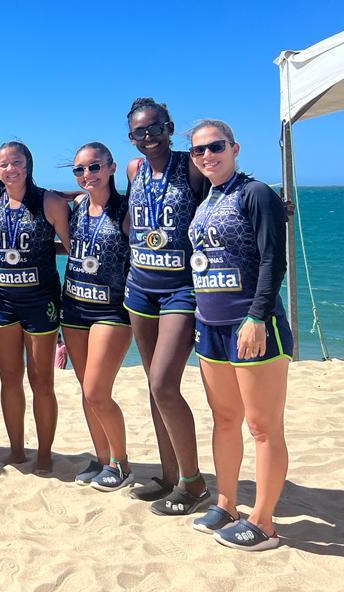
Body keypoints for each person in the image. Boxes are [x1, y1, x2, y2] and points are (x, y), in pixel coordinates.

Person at [186, 120, 292, 551]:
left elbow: (273, 260)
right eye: (198, 151)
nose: (207, 155)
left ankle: (263, 522)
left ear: (235, 148)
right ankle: (227, 504)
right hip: (210, 324)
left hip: (251, 324)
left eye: (215, 147)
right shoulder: (206, 199)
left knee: (262, 426)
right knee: (225, 419)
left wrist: (257, 316)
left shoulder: (255, 193)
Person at [123, 97, 210, 514]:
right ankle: (169, 475)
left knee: (163, 384)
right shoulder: (133, 169)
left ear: (169, 128)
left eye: (155, 128)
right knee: (153, 386)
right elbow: (127, 214)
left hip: (181, 290)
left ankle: (193, 484)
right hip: (140, 288)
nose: (148, 137)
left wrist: (263, 203)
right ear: (131, 137)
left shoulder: (190, 165)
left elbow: (224, 191)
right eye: (139, 132)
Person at [0, 141, 70, 474]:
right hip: (1, 302)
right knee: (9, 380)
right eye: (4, 164)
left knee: (42, 382)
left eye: (16, 162)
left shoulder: (49, 201)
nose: (10, 169)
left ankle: (44, 453)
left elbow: (73, 247)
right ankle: (17, 450)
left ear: (28, 165)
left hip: (40, 302)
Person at [59, 142, 135, 492]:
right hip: (74, 307)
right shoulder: (76, 207)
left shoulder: (127, 209)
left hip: (112, 311)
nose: (87, 174)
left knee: (96, 390)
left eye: (94, 167)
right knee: (85, 390)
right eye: (79, 169)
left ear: (111, 167)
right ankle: (103, 459)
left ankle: (122, 464)